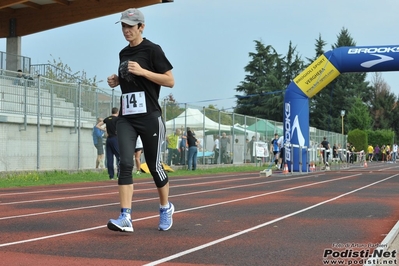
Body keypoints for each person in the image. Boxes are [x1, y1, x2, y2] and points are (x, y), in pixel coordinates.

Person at [106, 8, 175, 233]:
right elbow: (130, 80)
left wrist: (144, 72)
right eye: (124, 26)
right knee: (125, 163)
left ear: (141, 27)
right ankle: (125, 216)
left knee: (154, 166)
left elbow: (170, 81)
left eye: (130, 26)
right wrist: (118, 80)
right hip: (127, 117)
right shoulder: (123, 54)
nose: (126, 30)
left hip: (150, 117)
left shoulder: (153, 50)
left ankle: (165, 207)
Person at [96, 107, 120, 180]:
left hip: (108, 139)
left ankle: (111, 176)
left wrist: (104, 130)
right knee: (119, 157)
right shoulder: (117, 119)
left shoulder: (107, 119)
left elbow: (97, 126)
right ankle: (119, 174)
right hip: (115, 138)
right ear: (117, 112)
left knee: (109, 158)